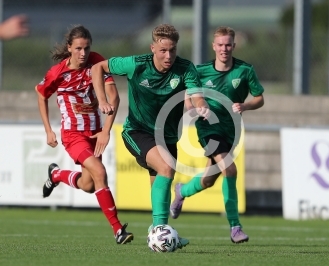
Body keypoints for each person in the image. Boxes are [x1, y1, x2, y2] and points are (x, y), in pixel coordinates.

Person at [91, 23, 210, 249]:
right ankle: (161, 233)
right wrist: (103, 100)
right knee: (167, 168)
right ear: (153, 48)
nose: (168, 56)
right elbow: (98, 68)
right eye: (163, 50)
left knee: (162, 185)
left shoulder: (186, 68)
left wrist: (202, 106)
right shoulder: (136, 64)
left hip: (167, 137)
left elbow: (196, 96)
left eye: (173, 50)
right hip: (137, 131)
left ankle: (160, 233)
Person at [35, 25, 133, 245]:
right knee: (100, 171)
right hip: (73, 135)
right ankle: (118, 230)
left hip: (95, 133)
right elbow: (41, 94)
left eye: (86, 48)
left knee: (89, 185)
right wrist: (48, 130)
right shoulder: (57, 73)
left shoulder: (97, 62)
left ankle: (57, 175)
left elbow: (113, 96)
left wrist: (106, 130)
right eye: (78, 48)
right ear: (69, 48)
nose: (83, 53)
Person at [170, 26, 265, 244]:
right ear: (214, 46)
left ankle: (182, 191)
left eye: (228, 44)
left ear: (234, 45)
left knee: (208, 180)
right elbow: (188, 94)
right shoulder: (200, 71)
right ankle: (235, 227)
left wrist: (246, 106)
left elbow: (260, 98)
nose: (224, 48)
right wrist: (191, 105)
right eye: (220, 45)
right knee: (229, 169)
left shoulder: (245, 70)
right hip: (208, 129)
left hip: (230, 131)